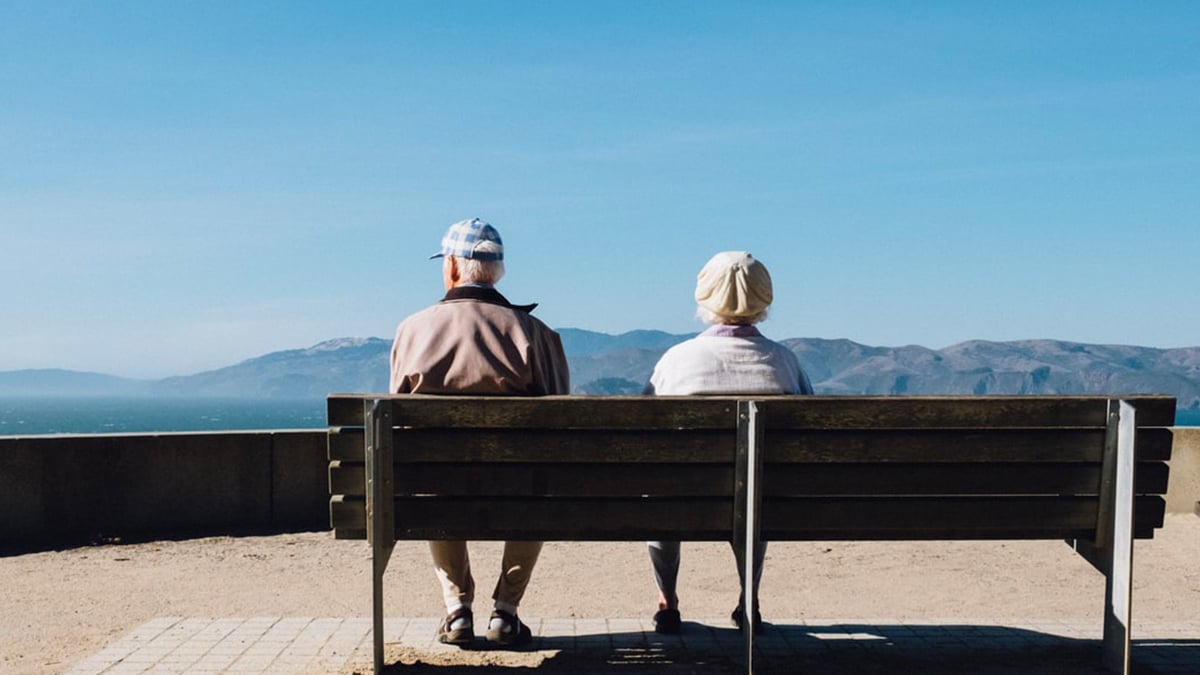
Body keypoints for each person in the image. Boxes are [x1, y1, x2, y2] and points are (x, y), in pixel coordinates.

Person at [389, 217, 570, 647]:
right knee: (537, 485)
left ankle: (456, 611)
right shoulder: (536, 335)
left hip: (440, 487)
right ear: (497, 272)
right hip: (519, 487)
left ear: (451, 267)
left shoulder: (412, 329)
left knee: (431, 484)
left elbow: (395, 422)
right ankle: (505, 612)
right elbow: (563, 421)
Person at [644, 251, 813, 636]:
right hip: (764, 500)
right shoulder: (785, 362)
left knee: (660, 498)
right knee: (754, 493)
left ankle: (668, 602)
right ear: (764, 299)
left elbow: (645, 434)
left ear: (703, 298)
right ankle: (748, 599)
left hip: (684, 499)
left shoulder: (677, 361)